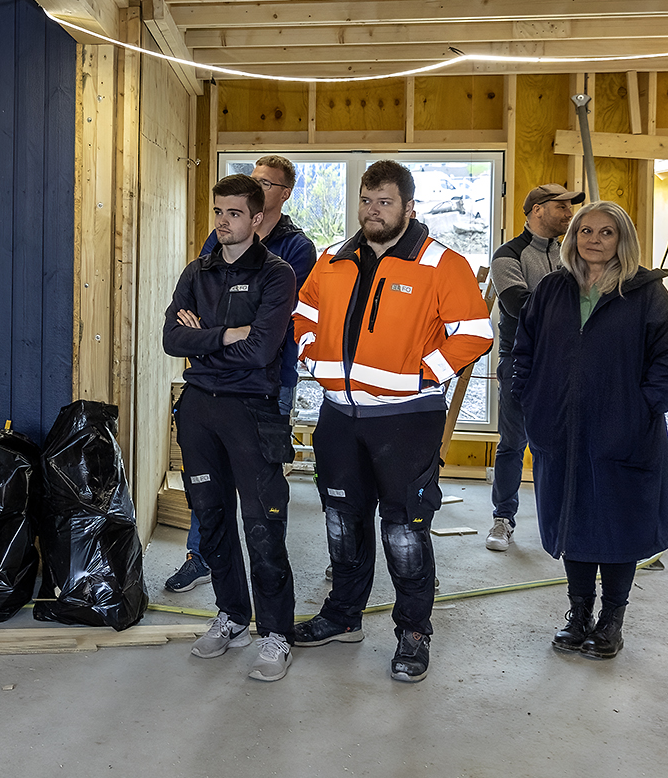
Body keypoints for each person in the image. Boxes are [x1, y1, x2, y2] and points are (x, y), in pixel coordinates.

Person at [290, 159, 492, 682]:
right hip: (339, 415)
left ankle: (413, 631)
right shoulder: (334, 256)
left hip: (406, 421)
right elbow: (303, 310)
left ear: (408, 206)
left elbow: (474, 331)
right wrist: (310, 350)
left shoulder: (439, 262)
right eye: (366, 200)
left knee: (404, 530)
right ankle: (343, 615)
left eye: (384, 202)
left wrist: (427, 373)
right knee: (342, 522)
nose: (372, 211)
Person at [512, 201, 668, 658]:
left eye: (606, 232)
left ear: (622, 240)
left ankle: (611, 619)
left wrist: (644, 407)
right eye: (584, 230)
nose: (593, 239)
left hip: (623, 431)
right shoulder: (553, 289)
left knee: (618, 524)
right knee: (572, 518)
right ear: (572, 239)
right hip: (560, 430)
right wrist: (530, 400)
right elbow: (524, 348)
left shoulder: (645, 293)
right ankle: (578, 613)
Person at [163, 173, 299, 682]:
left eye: (235, 213)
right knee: (211, 516)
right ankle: (232, 616)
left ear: (258, 218)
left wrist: (207, 338)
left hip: (251, 410)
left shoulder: (277, 274)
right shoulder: (198, 271)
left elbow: (263, 349)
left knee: (263, 523)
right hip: (199, 408)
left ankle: (276, 632)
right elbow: (171, 339)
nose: (224, 222)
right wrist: (229, 335)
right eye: (219, 212)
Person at [485, 183, 582, 552]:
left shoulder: (571, 254)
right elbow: (519, 306)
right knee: (512, 444)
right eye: (561, 206)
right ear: (537, 209)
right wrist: (573, 309)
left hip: (569, 362)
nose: (569, 213)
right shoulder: (508, 255)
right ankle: (502, 519)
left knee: (561, 445)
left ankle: (561, 520)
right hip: (521, 362)